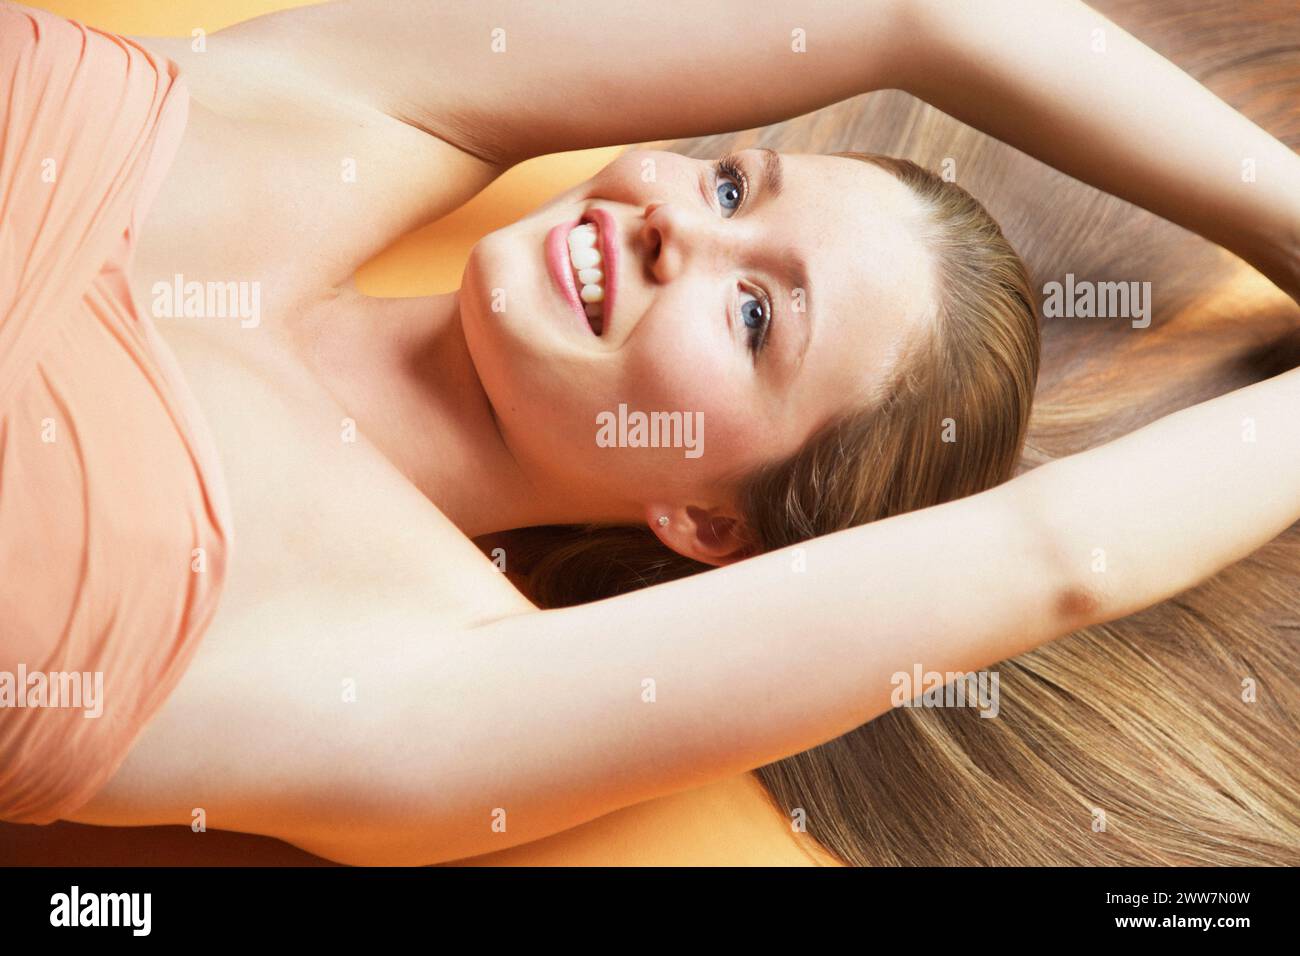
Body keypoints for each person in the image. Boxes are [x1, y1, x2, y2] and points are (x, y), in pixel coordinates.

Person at [1, 0, 1296, 865]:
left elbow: (1057, 553)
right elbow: (921, 15)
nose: (683, 224)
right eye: (732, 183)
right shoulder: (344, 108)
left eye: (752, 316)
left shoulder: (413, 677)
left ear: (711, 527)